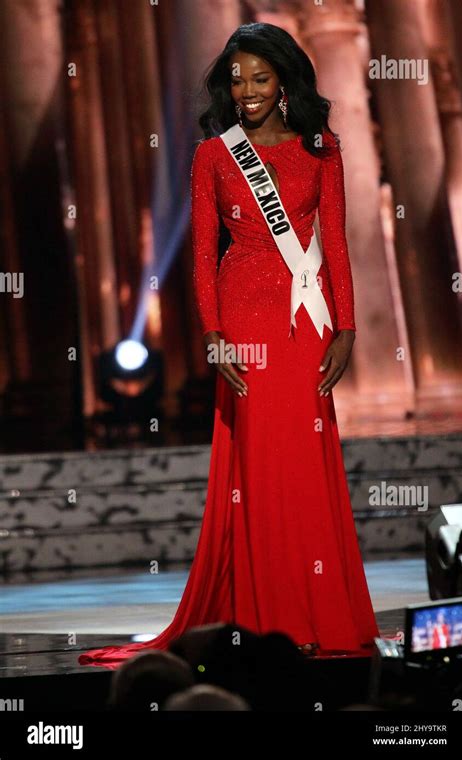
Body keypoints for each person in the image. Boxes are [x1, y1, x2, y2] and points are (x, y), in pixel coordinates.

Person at [79, 22, 379, 669]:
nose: (245, 90)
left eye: (259, 78)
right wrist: (213, 336)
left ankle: (321, 611)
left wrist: (347, 329)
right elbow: (202, 259)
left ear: (285, 81)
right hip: (243, 320)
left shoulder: (322, 148)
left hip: (306, 320)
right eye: (237, 78)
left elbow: (339, 244)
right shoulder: (214, 155)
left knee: (304, 461)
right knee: (260, 464)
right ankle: (269, 620)